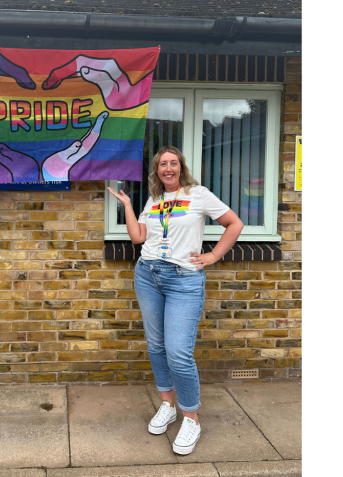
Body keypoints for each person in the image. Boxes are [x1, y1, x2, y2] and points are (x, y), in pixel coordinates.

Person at [107, 145, 244, 455]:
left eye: (173, 163)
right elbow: (138, 238)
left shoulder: (199, 194)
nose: (167, 168)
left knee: (178, 352)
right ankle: (167, 405)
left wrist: (213, 255)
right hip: (148, 275)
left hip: (183, 280)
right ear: (157, 170)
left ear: (181, 167)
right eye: (162, 164)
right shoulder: (155, 200)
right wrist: (128, 205)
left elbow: (234, 224)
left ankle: (191, 418)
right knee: (156, 346)